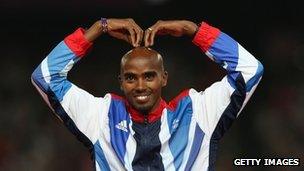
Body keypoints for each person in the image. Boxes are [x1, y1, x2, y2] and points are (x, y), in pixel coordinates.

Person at [31, 18, 263, 171]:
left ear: (164, 78)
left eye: (149, 76)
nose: (140, 85)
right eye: (131, 77)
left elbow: (250, 70)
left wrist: (193, 30)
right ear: (121, 82)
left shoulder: (198, 113)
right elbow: (45, 77)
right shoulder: (101, 117)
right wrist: (99, 28)